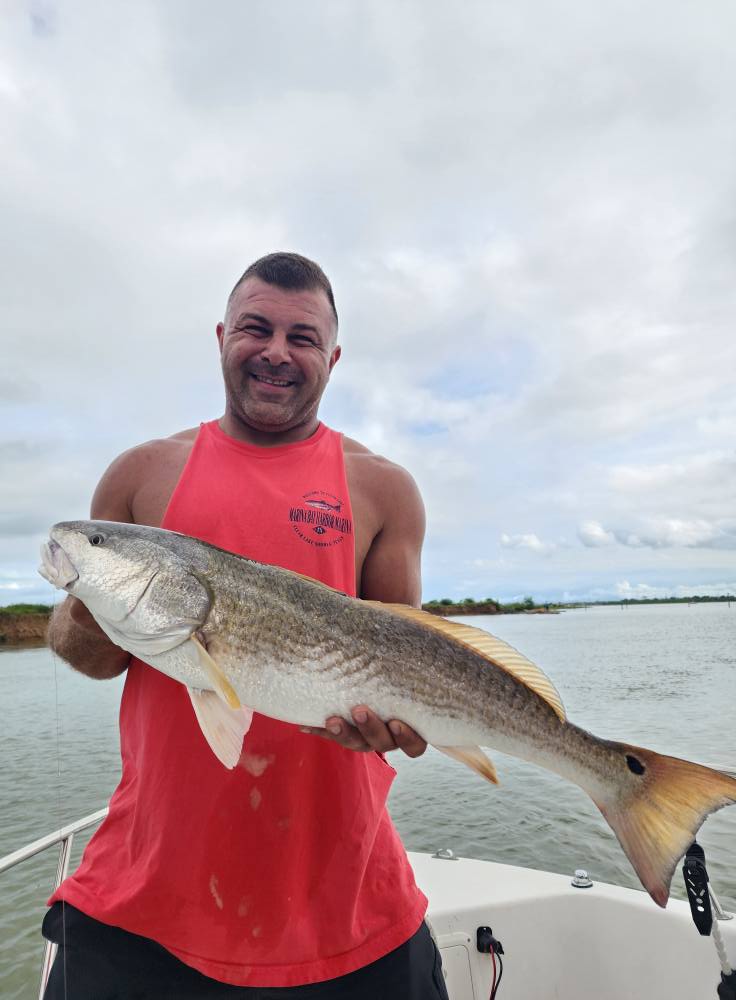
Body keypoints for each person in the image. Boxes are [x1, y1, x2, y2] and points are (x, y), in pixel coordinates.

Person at [44, 252, 450, 999]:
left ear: (333, 357)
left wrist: (400, 725)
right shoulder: (141, 474)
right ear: (222, 336)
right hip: (147, 897)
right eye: (256, 329)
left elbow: (407, 663)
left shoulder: (384, 488)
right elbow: (93, 657)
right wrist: (98, 601)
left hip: (346, 899)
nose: (276, 352)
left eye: (303, 337)